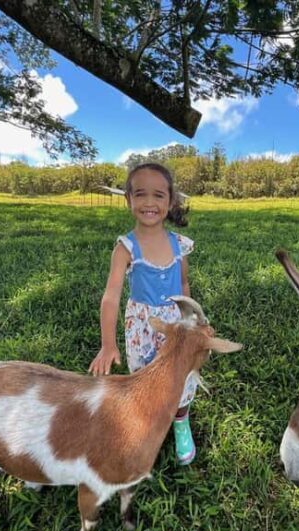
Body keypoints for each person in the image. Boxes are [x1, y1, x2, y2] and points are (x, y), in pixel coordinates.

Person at [89, 162, 198, 465]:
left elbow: (185, 283)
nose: (150, 203)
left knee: (181, 377)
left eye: (159, 195)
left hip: (176, 325)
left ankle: (180, 421)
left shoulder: (180, 245)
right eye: (141, 194)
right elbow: (111, 297)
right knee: (143, 377)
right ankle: (149, 420)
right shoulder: (126, 247)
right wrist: (108, 344)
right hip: (141, 327)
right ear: (129, 200)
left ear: (170, 201)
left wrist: (190, 320)